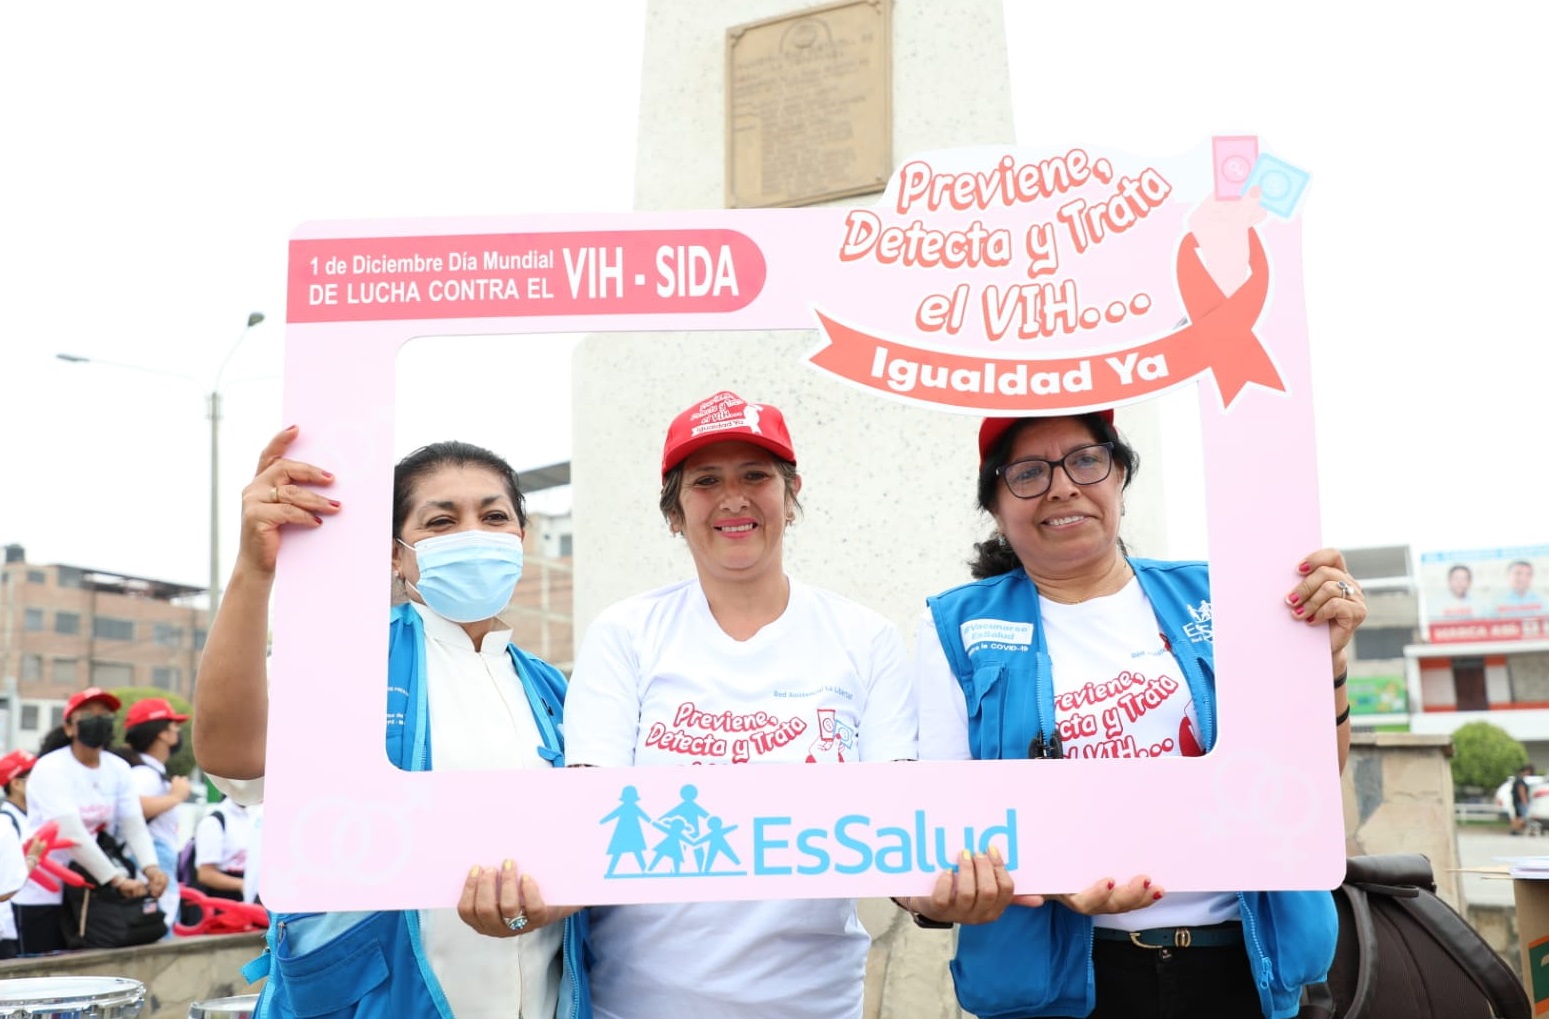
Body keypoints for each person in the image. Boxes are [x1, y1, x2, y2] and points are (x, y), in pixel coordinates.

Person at [909, 411, 1365, 1019]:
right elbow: (948, 819)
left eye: (1086, 460)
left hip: (1239, 966)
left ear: (1119, 475)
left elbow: (1307, 785)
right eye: (1028, 473)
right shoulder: (955, 626)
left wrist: (1325, 660)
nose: (1062, 487)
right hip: (1059, 986)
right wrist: (1049, 874)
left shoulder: (1224, 596)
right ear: (994, 504)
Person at [192, 426, 589, 1019]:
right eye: (441, 521)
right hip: (379, 1000)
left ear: (522, 539)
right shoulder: (349, 659)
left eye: (494, 517)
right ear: (396, 554)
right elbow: (236, 761)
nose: (473, 536)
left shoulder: (553, 689)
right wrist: (254, 571)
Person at [564, 391, 920, 1019]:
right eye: (706, 481)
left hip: (815, 1007)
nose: (734, 499)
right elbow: (589, 820)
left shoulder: (865, 639)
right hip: (639, 1004)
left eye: (756, 476)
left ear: (791, 493)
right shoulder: (626, 634)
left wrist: (940, 894)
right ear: (674, 512)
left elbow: (902, 828)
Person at [10, 688, 167, 955]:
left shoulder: (118, 768)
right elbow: (71, 833)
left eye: (104, 715)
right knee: (44, 963)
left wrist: (151, 868)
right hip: (46, 885)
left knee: (84, 962)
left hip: (90, 885)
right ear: (69, 727)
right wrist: (116, 880)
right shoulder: (51, 767)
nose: (98, 721)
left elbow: (133, 824)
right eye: (88, 715)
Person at [114, 697, 192, 934]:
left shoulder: (148, 771)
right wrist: (175, 797)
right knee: (159, 928)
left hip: (157, 858)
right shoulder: (144, 774)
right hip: (151, 860)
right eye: (173, 725)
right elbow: (133, 807)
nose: (177, 731)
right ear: (161, 734)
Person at [0, 750, 36, 958]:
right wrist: (33, 858)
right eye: (34, 778)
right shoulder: (6, 822)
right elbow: (7, 886)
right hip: (13, 915)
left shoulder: (28, 817)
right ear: (16, 784)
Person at [1511, 763, 1536, 836]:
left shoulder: (1517, 778)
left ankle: (1514, 830)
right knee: (1522, 817)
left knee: (1517, 816)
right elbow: (1521, 791)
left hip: (1516, 801)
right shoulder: (1520, 780)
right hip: (1520, 802)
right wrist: (1524, 802)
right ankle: (1517, 829)